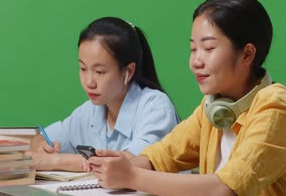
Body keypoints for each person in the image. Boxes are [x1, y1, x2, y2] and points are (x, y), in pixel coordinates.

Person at [88, 0, 286, 196]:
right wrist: (120, 165)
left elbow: (225, 191)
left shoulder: (276, 106)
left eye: (209, 48)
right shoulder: (213, 106)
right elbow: (161, 157)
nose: (196, 62)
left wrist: (130, 176)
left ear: (247, 54)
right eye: (193, 49)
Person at [29, 17, 179, 172]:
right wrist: (42, 146)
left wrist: (54, 161)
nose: (89, 82)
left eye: (99, 72)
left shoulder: (156, 107)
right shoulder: (89, 111)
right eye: (83, 68)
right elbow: (39, 138)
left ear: (128, 71)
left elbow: (129, 165)